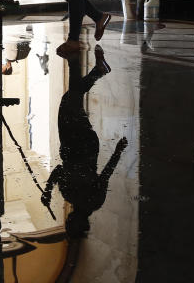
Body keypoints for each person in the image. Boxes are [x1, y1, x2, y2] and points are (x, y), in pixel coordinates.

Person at [41, 46, 128, 239]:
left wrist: (48, 189)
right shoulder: (89, 201)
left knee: (72, 98)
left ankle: (85, 65)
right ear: (83, 225)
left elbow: (58, 171)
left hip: (80, 145)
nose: (69, 221)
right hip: (78, 146)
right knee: (70, 99)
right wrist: (118, 152)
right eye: (73, 226)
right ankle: (86, 65)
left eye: (68, 225)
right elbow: (104, 175)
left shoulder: (71, 197)